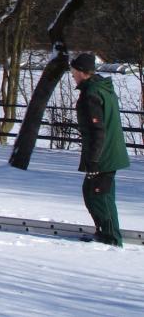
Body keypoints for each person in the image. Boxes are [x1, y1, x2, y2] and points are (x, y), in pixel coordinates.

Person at [70, 52, 131, 246]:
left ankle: (111, 238)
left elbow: (97, 130)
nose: (71, 74)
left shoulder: (91, 94)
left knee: (98, 196)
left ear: (81, 72)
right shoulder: (102, 88)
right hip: (109, 152)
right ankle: (105, 233)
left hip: (103, 155)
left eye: (73, 70)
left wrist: (94, 160)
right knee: (97, 193)